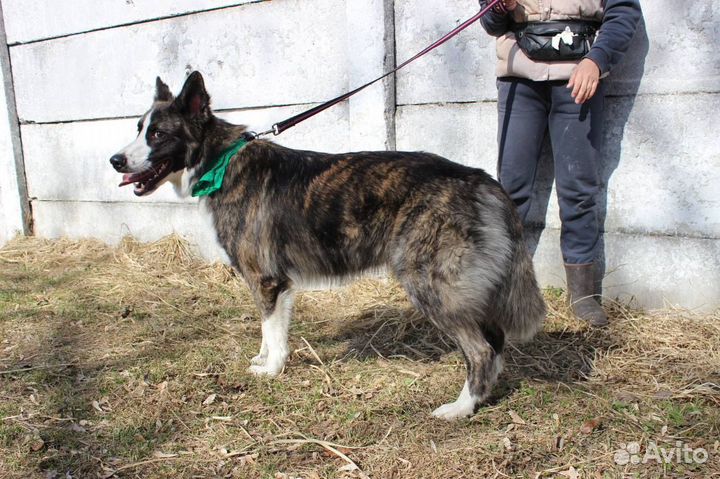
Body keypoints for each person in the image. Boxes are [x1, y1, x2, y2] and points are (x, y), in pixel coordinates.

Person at [478, 0, 641, 327]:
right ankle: (500, 288)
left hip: (579, 75)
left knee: (579, 189)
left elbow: (624, 11)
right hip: (518, 76)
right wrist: (499, 8)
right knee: (510, 191)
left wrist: (597, 59)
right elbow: (491, 22)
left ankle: (583, 294)